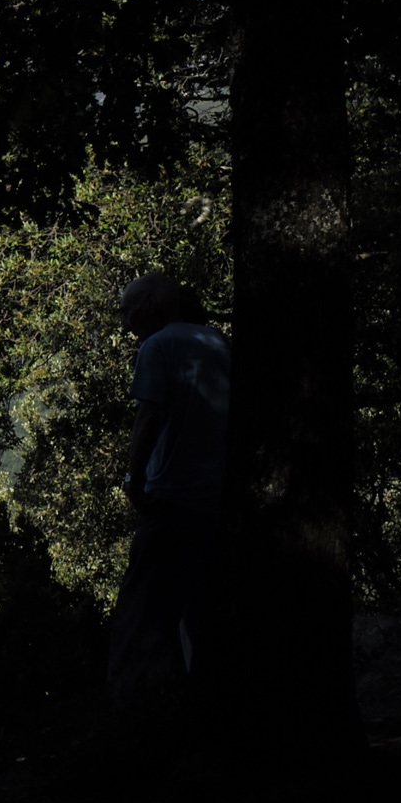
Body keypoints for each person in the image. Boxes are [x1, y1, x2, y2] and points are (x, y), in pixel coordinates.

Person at [106, 273, 231, 712]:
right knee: (204, 613)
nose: (125, 321)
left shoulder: (156, 347)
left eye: (128, 309)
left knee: (142, 612)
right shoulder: (220, 344)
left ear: (154, 303)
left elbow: (149, 417)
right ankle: (206, 705)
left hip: (169, 499)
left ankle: (132, 708)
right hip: (216, 501)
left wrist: (133, 481)